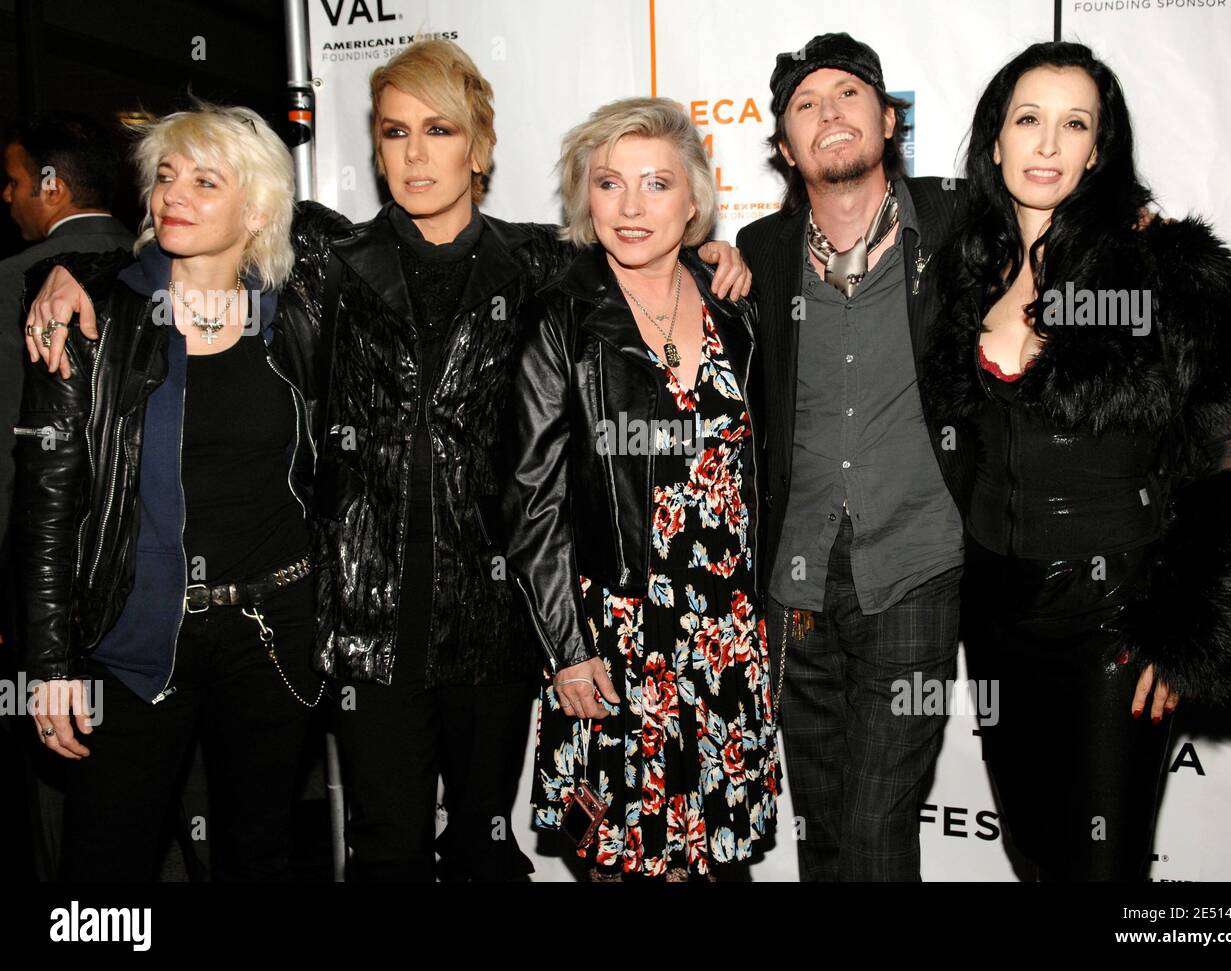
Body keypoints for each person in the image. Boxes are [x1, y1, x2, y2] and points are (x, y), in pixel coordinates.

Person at [25, 40, 750, 883]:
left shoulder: (547, 264)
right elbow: (198, 237)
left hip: (493, 616)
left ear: (478, 148)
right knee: (385, 851)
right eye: (394, 132)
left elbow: (646, 249)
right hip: (366, 621)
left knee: (482, 846)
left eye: (438, 130)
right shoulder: (327, 264)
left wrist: (712, 255)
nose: (414, 154)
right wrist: (76, 267)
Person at [920, 41, 1231, 880]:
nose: (1047, 145)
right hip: (998, 619)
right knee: (1036, 852)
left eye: (1073, 124)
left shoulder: (1164, 268)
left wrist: (1191, 631)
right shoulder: (966, 271)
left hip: (1113, 621)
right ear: (995, 140)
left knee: (1104, 868)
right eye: (1029, 120)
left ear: (1099, 148)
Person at [16, 104, 331, 881]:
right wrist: (48, 662)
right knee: (104, 858)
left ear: (255, 207)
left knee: (259, 852)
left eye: (203, 179)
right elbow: (47, 503)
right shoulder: (95, 315)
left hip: (272, 630)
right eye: (164, 175)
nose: (172, 194)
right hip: (140, 629)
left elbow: (400, 237)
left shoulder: (301, 308)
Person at [502, 97, 779, 881]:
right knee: (624, 863)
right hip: (618, 635)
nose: (630, 208)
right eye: (608, 183)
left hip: (725, 636)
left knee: (717, 864)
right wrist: (566, 648)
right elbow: (531, 496)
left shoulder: (737, 310)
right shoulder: (561, 317)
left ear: (693, 200)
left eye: (656, 184)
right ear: (584, 197)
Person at [735, 33, 966, 881]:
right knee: (824, 829)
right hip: (795, 590)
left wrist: (1132, 218)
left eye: (848, 95)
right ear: (787, 149)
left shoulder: (955, 221)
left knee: (874, 833)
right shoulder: (756, 256)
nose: (829, 113)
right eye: (806, 105)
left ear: (888, 120)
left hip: (915, 571)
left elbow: (1067, 218)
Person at [0, 111, 134, 881]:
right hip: (168, 605)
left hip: (49, 598)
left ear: (52, 185)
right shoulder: (172, 273)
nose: (9, 198)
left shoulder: (16, 286)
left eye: (17, 181)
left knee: (66, 796)